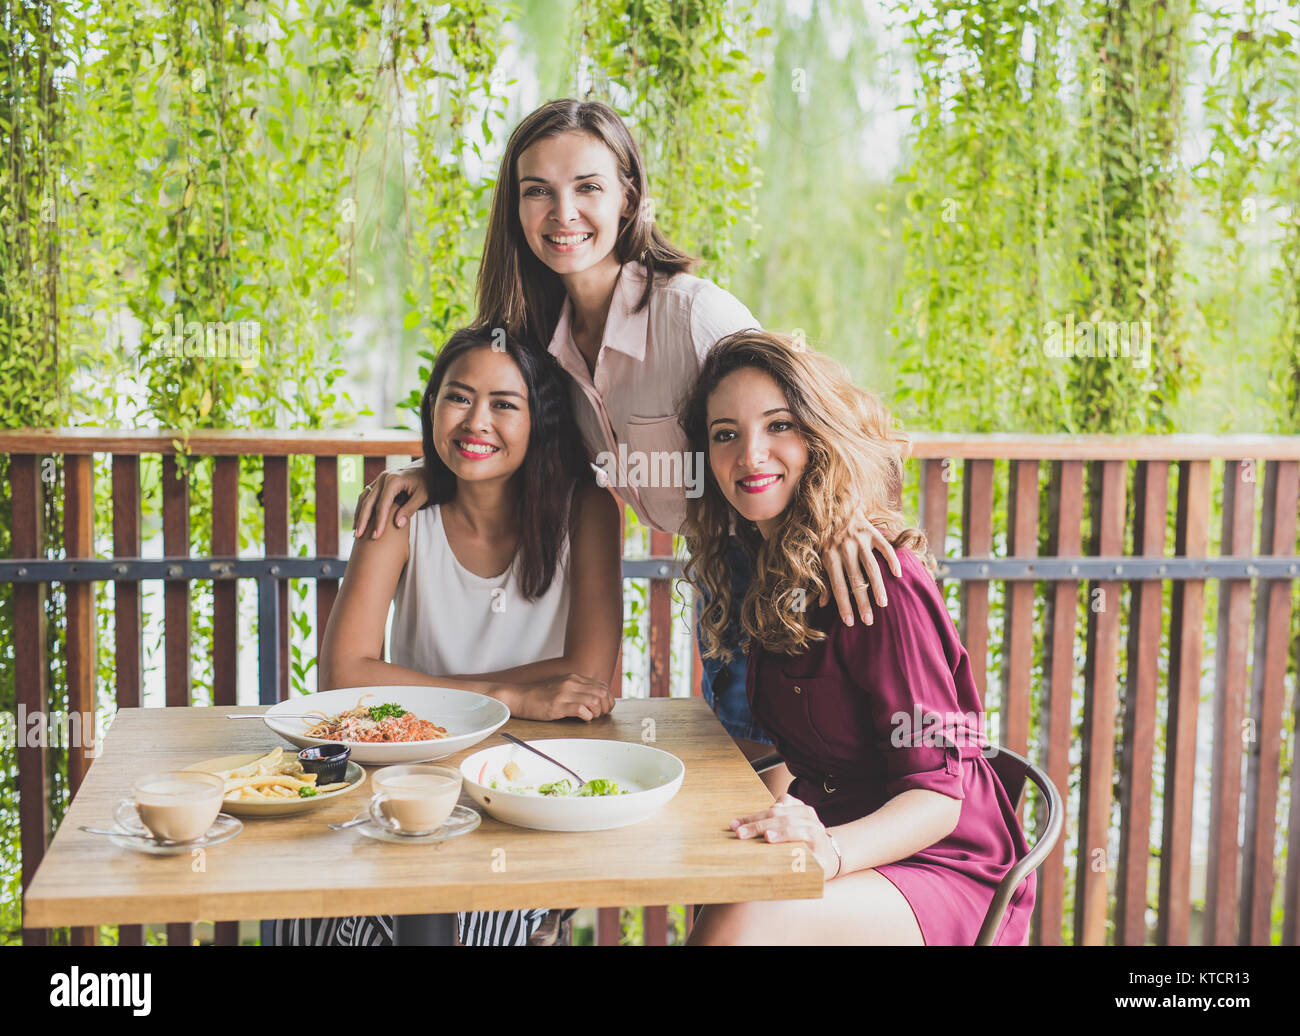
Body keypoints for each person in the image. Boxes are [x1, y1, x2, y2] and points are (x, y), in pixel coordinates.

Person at [350, 99, 900, 766]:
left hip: (791, 559)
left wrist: (849, 522)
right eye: (537, 192)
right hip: (721, 569)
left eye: (587, 187)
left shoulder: (693, 314)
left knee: (818, 768)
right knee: (743, 770)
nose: (563, 213)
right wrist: (423, 473)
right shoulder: (535, 341)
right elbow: (498, 432)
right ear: (515, 208)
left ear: (628, 195)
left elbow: (815, 416)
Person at [678, 330, 1036, 945]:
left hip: (938, 861)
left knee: (738, 923)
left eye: (779, 426)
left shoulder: (881, 581)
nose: (751, 455)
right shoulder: (769, 570)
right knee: (719, 883)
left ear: (817, 438)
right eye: (725, 434)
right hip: (845, 831)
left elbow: (937, 799)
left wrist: (829, 852)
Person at [277, 325, 622, 946]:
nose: (476, 421)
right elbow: (341, 676)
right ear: (432, 406)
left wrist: (428, 693)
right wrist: (513, 698)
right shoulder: (402, 511)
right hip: (406, 766)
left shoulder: (586, 511)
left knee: (472, 917)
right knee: (322, 912)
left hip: (523, 782)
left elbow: (588, 683)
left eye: (504, 404)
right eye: (458, 398)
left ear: (539, 419)